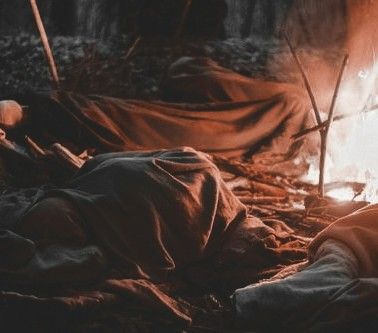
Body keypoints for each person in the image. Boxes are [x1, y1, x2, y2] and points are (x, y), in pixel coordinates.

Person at [233, 203, 378, 332]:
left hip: (357, 254)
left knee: (353, 298)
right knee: (329, 277)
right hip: (349, 244)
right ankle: (237, 307)